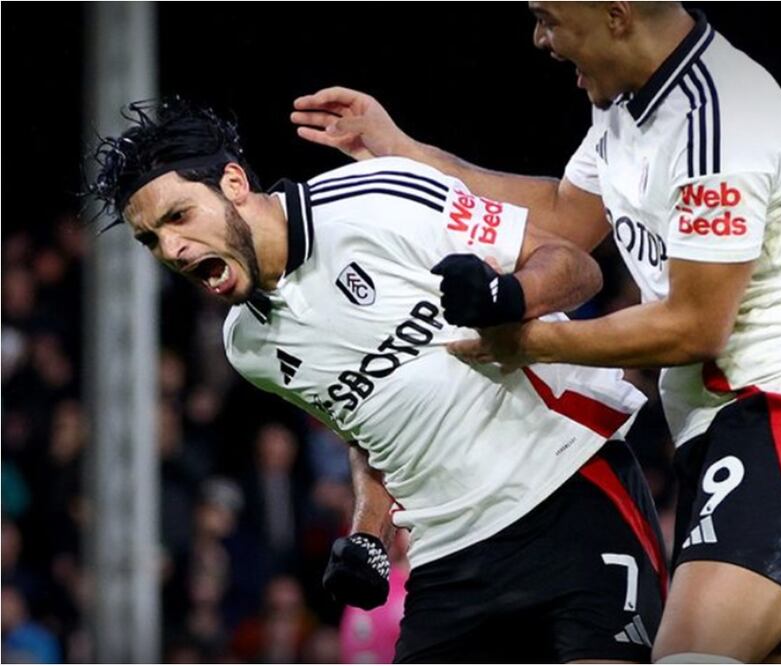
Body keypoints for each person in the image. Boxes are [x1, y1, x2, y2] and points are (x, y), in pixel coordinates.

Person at [291, 2, 781, 661]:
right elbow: (564, 217)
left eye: (548, 18)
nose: (540, 40)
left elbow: (695, 326)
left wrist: (531, 344)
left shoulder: (717, 119)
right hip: (733, 430)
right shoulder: (630, 104)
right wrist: (403, 153)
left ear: (615, 14)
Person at [87, 99, 668, 663]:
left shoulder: (377, 197)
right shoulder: (248, 347)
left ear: (235, 184)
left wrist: (505, 296)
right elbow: (372, 435)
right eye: (150, 240)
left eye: (178, 217)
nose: (171, 249)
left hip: (569, 488)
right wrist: (369, 533)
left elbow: (576, 265)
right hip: (447, 558)